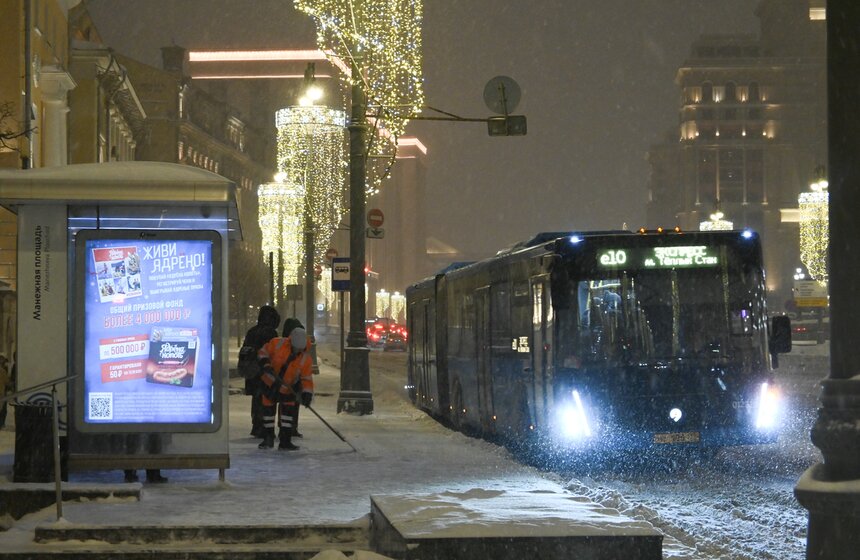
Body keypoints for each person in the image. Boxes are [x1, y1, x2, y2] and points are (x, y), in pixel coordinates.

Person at [257, 326, 314, 450]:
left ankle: (285, 440)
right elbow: (262, 352)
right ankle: (268, 438)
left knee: (287, 416)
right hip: (269, 384)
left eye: (299, 349)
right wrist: (266, 363)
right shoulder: (277, 344)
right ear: (291, 342)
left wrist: (307, 394)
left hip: (289, 389)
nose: (296, 351)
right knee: (268, 414)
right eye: (295, 348)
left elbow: (306, 379)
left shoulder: (305, 359)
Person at [241, 305, 281, 438]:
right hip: (265, 371)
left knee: (256, 398)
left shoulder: (252, 331)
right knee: (266, 399)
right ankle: (264, 427)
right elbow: (273, 353)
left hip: (252, 371)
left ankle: (256, 425)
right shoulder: (270, 333)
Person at [281, 317, 305, 438]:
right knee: (290, 406)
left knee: (287, 406)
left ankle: (287, 428)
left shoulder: (283, 344)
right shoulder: (286, 346)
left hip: (289, 380)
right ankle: (290, 428)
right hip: (291, 380)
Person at [0, 354, 9, 429]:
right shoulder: (3, 371)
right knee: (2, 409)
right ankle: (1, 423)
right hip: (1, 392)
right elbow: (7, 382)